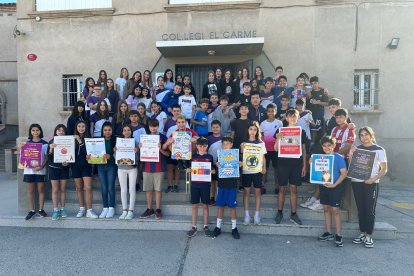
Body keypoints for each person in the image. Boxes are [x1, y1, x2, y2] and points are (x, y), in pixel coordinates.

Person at [351, 127, 388, 248]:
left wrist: (373, 179)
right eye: (361, 135)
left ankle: (368, 235)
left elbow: (384, 169)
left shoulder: (379, 150)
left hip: (371, 183)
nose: (364, 137)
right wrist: (351, 154)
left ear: (371, 135)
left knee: (369, 210)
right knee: (361, 209)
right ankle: (362, 233)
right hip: (357, 182)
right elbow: (353, 165)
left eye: (366, 134)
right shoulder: (358, 149)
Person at [274, 109, 307, 225]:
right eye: (290, 116)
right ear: (286, 118)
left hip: (296, 164)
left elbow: (303, 149)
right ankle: (279, 212)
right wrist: (278, 138)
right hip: (283, 163)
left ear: (298, 118)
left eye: (295, 116)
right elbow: (275, 149)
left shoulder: (301, 131)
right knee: (281, 188)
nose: (293, 118)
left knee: (294, 189)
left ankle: (294, 214)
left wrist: (304, 166)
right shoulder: (280, 130)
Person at [315, 136, 347, 247]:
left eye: (329, 145)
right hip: (324, 186)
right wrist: (311, 162)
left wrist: (334, 184)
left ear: (334, 146)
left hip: (335, 187)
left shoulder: (338, 157)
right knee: (326, 209)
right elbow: (316, 172)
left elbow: (344, 173)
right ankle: (328, 232)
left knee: (336, 211)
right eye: (324, 146)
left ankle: (338, 234)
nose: (327, 147)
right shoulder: (320, 157)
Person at [139, 119, 170, 220]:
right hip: (147, 166)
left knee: (158, 189)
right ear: (149, 127)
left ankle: (157, 209)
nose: (153, 128)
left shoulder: (163, 137)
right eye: (151, 126)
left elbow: (168, 154)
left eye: (155, 126)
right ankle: (149, 209)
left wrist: (160, 148)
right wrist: (140, 148)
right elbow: (141, 154)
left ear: (158, 126)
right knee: (148, 189)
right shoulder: (145, 138)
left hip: (159, 167)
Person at [185, 138, 215, 238]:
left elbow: (213, 169)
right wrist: (188, 170)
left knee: (205, 206)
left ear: (207, 147)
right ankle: (194, 227)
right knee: (194, 206)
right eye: (200, 146)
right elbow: (188, 168)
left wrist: (213, 171)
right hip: (195, 185)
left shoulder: (210, 157)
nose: (202, 148)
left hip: (205, 185)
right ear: (197, 146)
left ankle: (206, 226)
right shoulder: (192, 157)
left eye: (204, 146)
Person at [212, 137, 241, 239]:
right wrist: (216, 165)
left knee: (232, 207)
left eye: (228, 144)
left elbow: (239, 168)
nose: (226, 146)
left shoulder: (236, 155)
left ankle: (234, 228)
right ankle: (218, 227)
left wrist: (240, 165)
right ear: (222, 145)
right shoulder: (220, 156)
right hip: (221, 185)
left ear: (231, 145)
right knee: (220, 206)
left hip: (232, 185)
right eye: (224, 144)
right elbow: (216, 170)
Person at [163, 115, 199, 193]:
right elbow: (164, 146)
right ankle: (170, 185)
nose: (181, 124)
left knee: (179, 167)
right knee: (170, 165)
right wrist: (168, 142)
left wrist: (195, 138)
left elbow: (200, 139)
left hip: (187, 155)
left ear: (186, 123)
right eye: (179, 122)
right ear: (176, 123)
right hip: (175, 155)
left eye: (183, 122)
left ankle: (176, 185)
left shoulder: (190, 131)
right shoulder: (174, 133)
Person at [240, 122, 267, 225]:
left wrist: (264, 168)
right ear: (248, 130)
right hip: (246, 171)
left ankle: (257, 215)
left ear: (257, 131)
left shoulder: (261, 143)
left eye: (254, 129)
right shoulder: (244, 143)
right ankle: (246, 215)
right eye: (250, 129)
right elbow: (242, 157)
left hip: (257, 171)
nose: (252, 131)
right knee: (246, 192)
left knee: (257, 193)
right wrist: (242, 148)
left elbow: (263, 157)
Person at [71, 121, 98, 219]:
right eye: (79, 126)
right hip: (75, 166)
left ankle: (89, 210)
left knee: (88, 187)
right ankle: (81, 208)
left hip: (86, 165)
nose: (81, 128)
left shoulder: (89, 139)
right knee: (79, 188)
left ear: (86, 128)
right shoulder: (71, 139)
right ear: (76, 127)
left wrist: (80, 141)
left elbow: (87, 153)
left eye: (83, 126)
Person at [22, 124, 49, 220]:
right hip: (29, 171)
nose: (35, 132)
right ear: (30, 132)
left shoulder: (45, 144)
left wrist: (42, 166)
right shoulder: (26, 144)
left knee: (41, 190)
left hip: (40, 171)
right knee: (31, 191)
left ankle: (41, 209)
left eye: (37, 130)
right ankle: (32, 210)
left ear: (40, 131)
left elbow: (46, 157)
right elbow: (23, 158)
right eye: (33, 130)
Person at [115, 125, 138, 220]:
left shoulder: (135, 142)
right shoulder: (118, 142)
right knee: (123, 190)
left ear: (131, 131)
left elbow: (138, 158)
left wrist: (137, 151)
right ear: (122, 132)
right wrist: (115, 151)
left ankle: (131, 211)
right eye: (124, 130)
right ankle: (124, 210)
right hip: (121, 168)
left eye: (128, 130)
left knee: (131, 190)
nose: (127, 132)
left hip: (132, 168)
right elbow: (115, 157)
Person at [47, 124, 70, 220]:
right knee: (55, 190)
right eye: (59, 130)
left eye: (63, 131)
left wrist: (68, 162)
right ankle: (56, 210)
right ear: (56, 132)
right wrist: (51, 148)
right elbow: (48, 157)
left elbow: (70, 156)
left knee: (63, 189)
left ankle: (63, 209)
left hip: (64, 168)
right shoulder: (51, 142)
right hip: (53, 168)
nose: (61, 132)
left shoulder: (69, 142)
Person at [260, 103, 283, 194]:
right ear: (266, 112)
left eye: (272, 111)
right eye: (269, 111)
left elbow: (281, 135)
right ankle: (263, 185)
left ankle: (277, 186)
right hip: (265, 150)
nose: (270, 113)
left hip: (276, 149)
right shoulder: (263, 123)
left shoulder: (279, 123)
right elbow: (261, 136)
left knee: (276, 169)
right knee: (264, 168)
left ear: (276, 112)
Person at [97, 122, 117, 219]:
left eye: (109, 130)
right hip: (101, 166)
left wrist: (110, 156)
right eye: (105, 130)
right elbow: (94, 154)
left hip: (111, 167)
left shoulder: (116, 142)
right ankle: (105, 208)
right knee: (104, 188)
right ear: (102, 131)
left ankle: (111, 208)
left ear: (112, 131)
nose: (107, 132)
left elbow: (119, 157)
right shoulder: (98, 141)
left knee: (110, 188)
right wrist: (89, 156)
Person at [307, 76, 329, 142]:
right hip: (310, 115)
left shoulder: (323, 92)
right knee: (312, 131)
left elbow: (327, 103)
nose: (314, 85)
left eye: (315, 83)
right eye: (312, 83)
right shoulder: (309, 93)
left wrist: (317, 102)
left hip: (319, 115)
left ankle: (316, 146)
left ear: (318, 83)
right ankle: (312, 146)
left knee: (318, 131)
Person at [206, 120, 223, 205]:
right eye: (213, 127)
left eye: (217, 127)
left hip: (221, 164)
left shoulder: (224, 139)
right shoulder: (208, 139)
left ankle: (220, 197)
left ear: (220, 128)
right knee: (212, 181)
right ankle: (212, 197)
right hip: (211, 163)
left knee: (220, 182)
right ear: (211, 128)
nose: (215, 129)